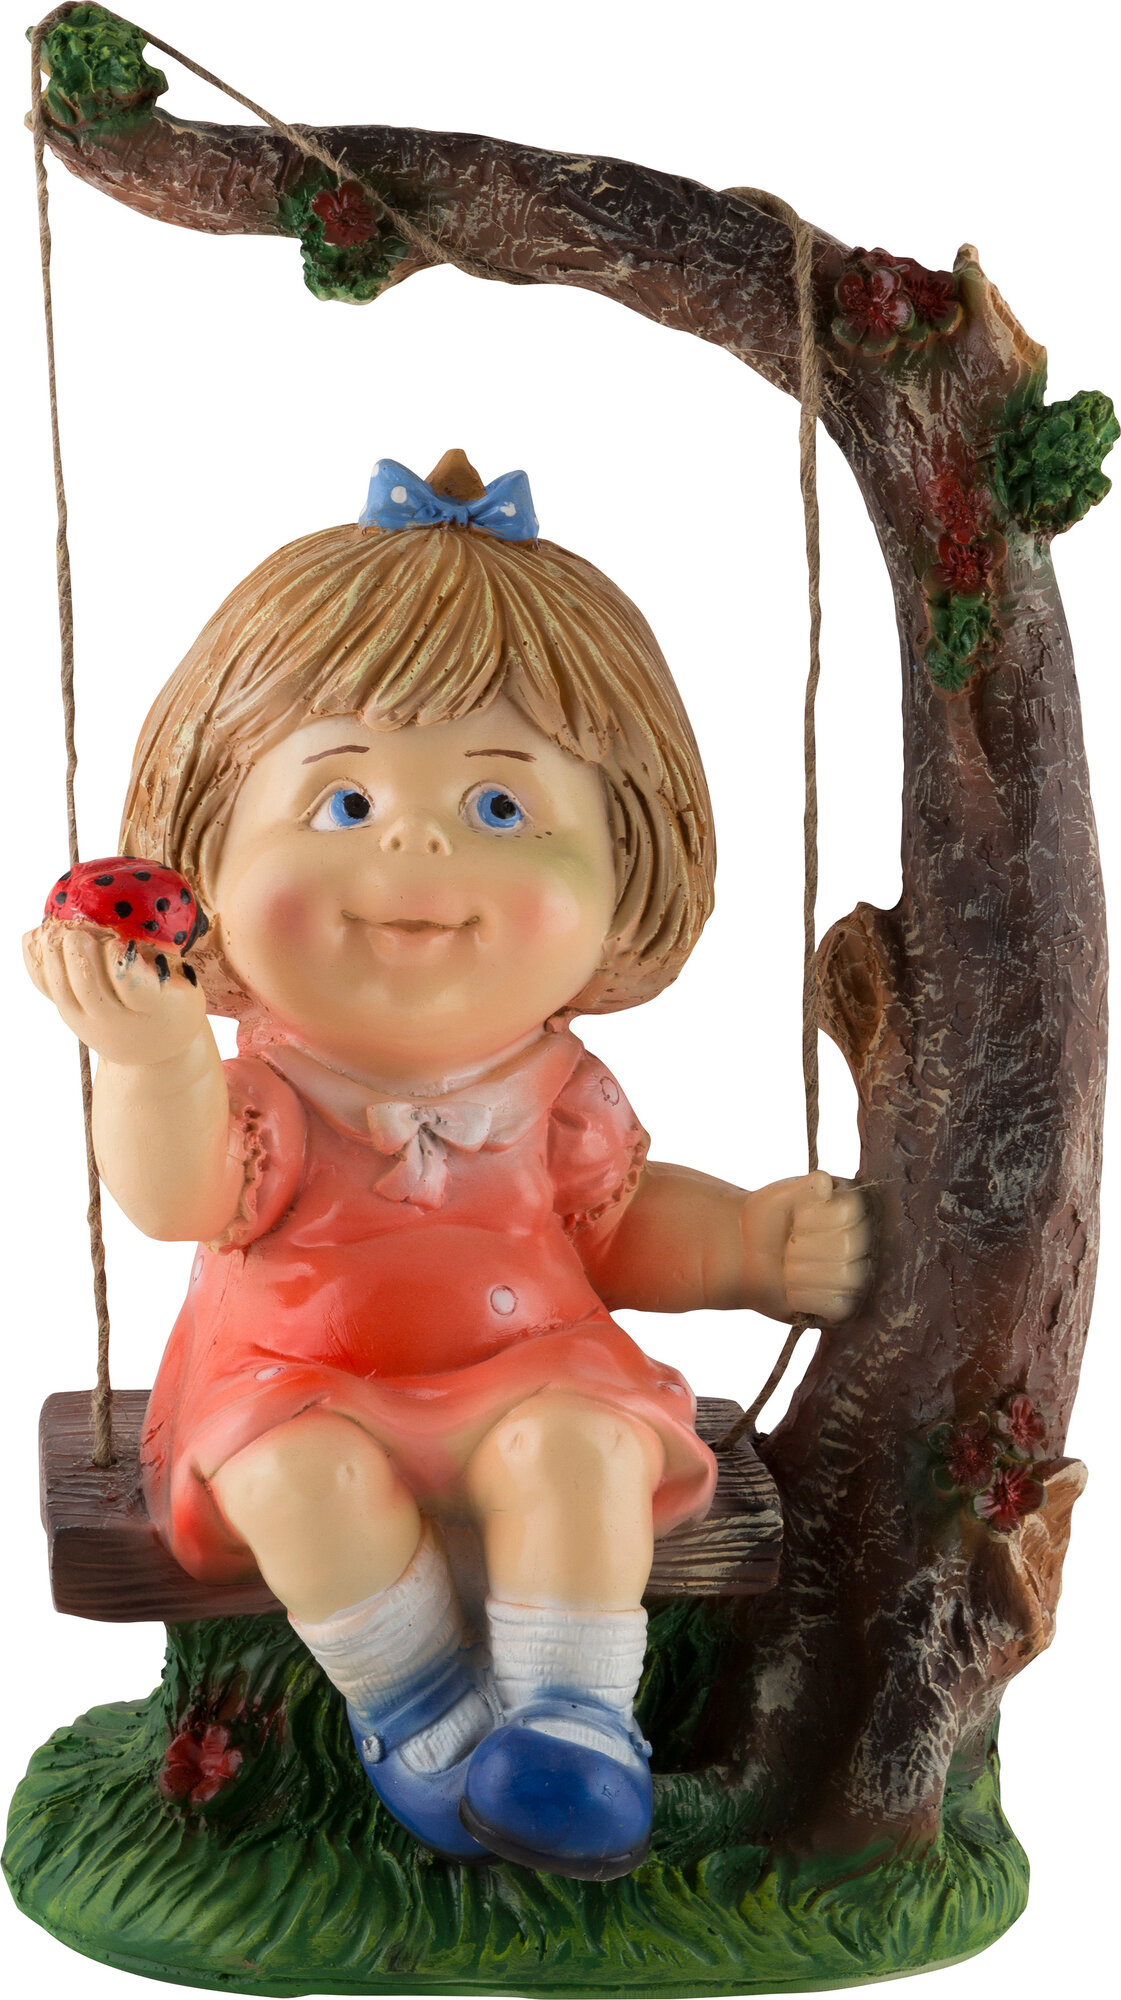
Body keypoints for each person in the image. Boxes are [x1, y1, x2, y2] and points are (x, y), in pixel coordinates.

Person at [24, 452, 871, 1879]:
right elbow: (177, 1196)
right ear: (209, 854)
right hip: (288, 1380)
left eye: (500, 809)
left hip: (531, 1367)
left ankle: (571, 1725)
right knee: (306, 1482)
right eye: (343, 804)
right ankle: (418, 1710)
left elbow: (613, 1228)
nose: (417, 842)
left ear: (624, 866)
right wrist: (154, 1061)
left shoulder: (555, 1094)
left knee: (578, 1450)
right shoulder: (267, 1096)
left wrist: (741, 1244)